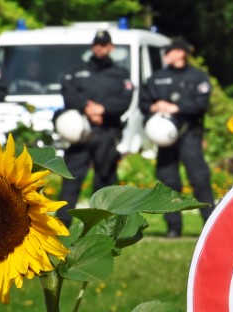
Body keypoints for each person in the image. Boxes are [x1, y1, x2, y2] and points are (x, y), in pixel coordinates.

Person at [57, 30, 134, 226]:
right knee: (71, 178)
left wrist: (104, 110)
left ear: (111, 47)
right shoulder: (77, 70)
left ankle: (103, 224)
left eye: (103, 44)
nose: (99, 47)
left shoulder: (120, 74)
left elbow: (125, 101)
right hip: (80, 133)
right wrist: (87, 108)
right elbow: (67, 93)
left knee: (105, 179)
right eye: (96, 44)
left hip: (106, 133)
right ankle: (61, 225)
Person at [140, 38, 214, 238]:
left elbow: (202, 104)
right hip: (164, 139)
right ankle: (173, 227)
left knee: (199, 179)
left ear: (181, 53)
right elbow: (144, 103)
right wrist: (154, 107)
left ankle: (211, 223)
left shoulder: (197, 77)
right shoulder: (157, 78)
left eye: (170, 51)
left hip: (189, 133)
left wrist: (178, 108)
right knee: (168, 180)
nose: (166, 55)